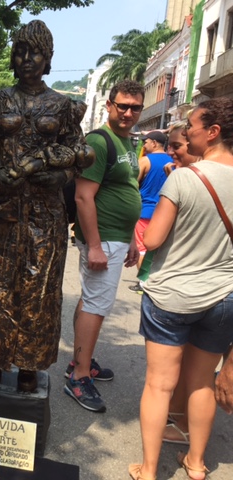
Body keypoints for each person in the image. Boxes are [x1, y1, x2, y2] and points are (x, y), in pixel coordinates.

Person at [0, 20, 93, 391]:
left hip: (45, 213)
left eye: (33, 52)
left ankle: (30, 365)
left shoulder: (63, 105)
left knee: (40, 289)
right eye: (19, 51)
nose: (25, 59)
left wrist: (62, 177)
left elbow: (81, 154)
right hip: (1, 210)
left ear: (48, 59)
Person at [129, 98, 233, 480]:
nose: (186, 132)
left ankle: (149, 469)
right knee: (202, 382)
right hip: (224, 295)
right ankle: (196, 463)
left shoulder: (184, 178)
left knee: (159, 385)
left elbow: (153, 239)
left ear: (214, 131)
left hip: (172, 294)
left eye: (191, 125)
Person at [63, 79, 143, 412]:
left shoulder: (126, 142)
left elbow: (124, 191)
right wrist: (95, 245)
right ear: (109, 105)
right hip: (102, 238)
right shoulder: (99, 140)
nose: (127, 112)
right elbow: (84, 196)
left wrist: (130, 240)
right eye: (121, 105)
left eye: (134, 107)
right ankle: (79, 377)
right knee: (96, 304)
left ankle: (81, 362)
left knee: (91, 300)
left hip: (115, 238)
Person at [129, 130, 172, 295]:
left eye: (146, 142)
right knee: (159, 249)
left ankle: (143, 283)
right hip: (165, 212)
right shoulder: (173, 161)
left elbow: (132, 185)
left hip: (145, 211)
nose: (144, 145)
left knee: (142, 248)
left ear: (154, 143)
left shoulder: (145, 161)